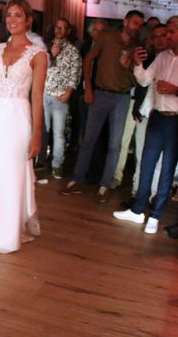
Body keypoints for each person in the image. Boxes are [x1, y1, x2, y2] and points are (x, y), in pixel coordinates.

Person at [0, 0, 47, 254]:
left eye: (18, 15)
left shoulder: (38, 54)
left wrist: (37, 135)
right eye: (9, 16)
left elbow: (37, 98)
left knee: (12, 174)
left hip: (18, 118)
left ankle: (5, 235)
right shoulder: (0, 48)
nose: (12, 20)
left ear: (28, 20)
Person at [61, 10, 144, 202]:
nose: (137, 27)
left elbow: (137, 80)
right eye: (134, 22)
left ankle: (104, 185)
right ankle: (77, 180)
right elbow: (88, 59)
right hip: (99, 93)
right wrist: (88, 88)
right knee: (88, 139)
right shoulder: (107, 37)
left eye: (140, 24)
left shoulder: (137, 47)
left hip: (122, 98)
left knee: (115, 145)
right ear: (125, 22)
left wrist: (130, 67)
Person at [113, 19, 178, 235]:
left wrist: (175, 90)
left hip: (176, 120)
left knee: (167, 169)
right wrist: (137, 63)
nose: (167, 36)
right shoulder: (162, 56)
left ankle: (156, 215)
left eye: (171, 32)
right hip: (157, 116)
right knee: (147, 163)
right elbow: (143, 81)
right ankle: (138, 210)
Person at [42, 18, 82, 179]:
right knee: (43, 130)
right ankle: (40, 161)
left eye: (63, 28)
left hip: (61, 97)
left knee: (59, 133)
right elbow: (37, 68)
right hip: (44, 93)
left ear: (68, 31)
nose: (59, 30)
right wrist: (50, 55)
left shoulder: (73, 50)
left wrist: (69, 92)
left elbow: (75, 73)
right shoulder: (43, 47)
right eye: (57, 27)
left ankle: (57, 164)